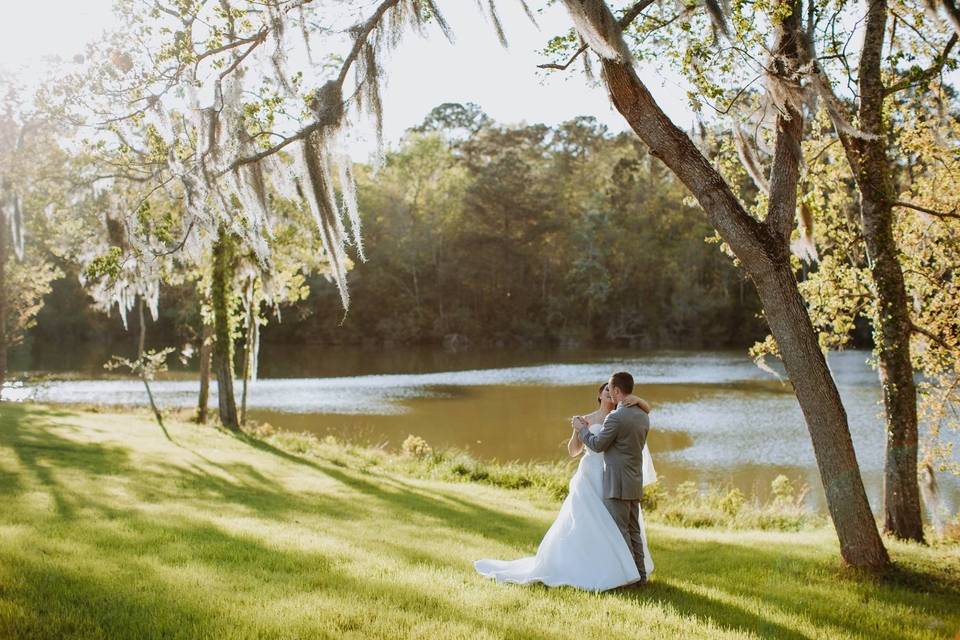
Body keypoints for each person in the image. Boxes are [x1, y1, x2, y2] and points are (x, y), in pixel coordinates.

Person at [474, 374, 655, 592]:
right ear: (599, 395)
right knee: (604, 525)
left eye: (611, 389)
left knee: (620, 528)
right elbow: (573, 451)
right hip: (597, 477)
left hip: (612, 477)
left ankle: (629, 576)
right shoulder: (602, 417)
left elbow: (599, 444)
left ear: (617, 393)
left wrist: (584, 430)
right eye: (605, 390)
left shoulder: (617, 416)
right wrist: (578, 429)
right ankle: (626, 574)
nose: (608, 393)